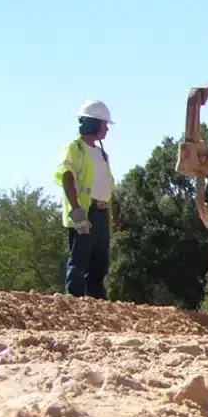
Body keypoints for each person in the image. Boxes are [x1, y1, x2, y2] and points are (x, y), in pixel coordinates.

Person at [54, 100, 115, 299]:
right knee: (79, 260)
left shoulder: (101, 153)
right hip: (84, 211)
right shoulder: (74, 148)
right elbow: (67, 176)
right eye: (104, 124)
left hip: (101, 212)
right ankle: (74, 302)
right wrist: (76, 210)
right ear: (93, 123)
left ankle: (96, 303)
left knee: (100, 261)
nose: (106, 129)